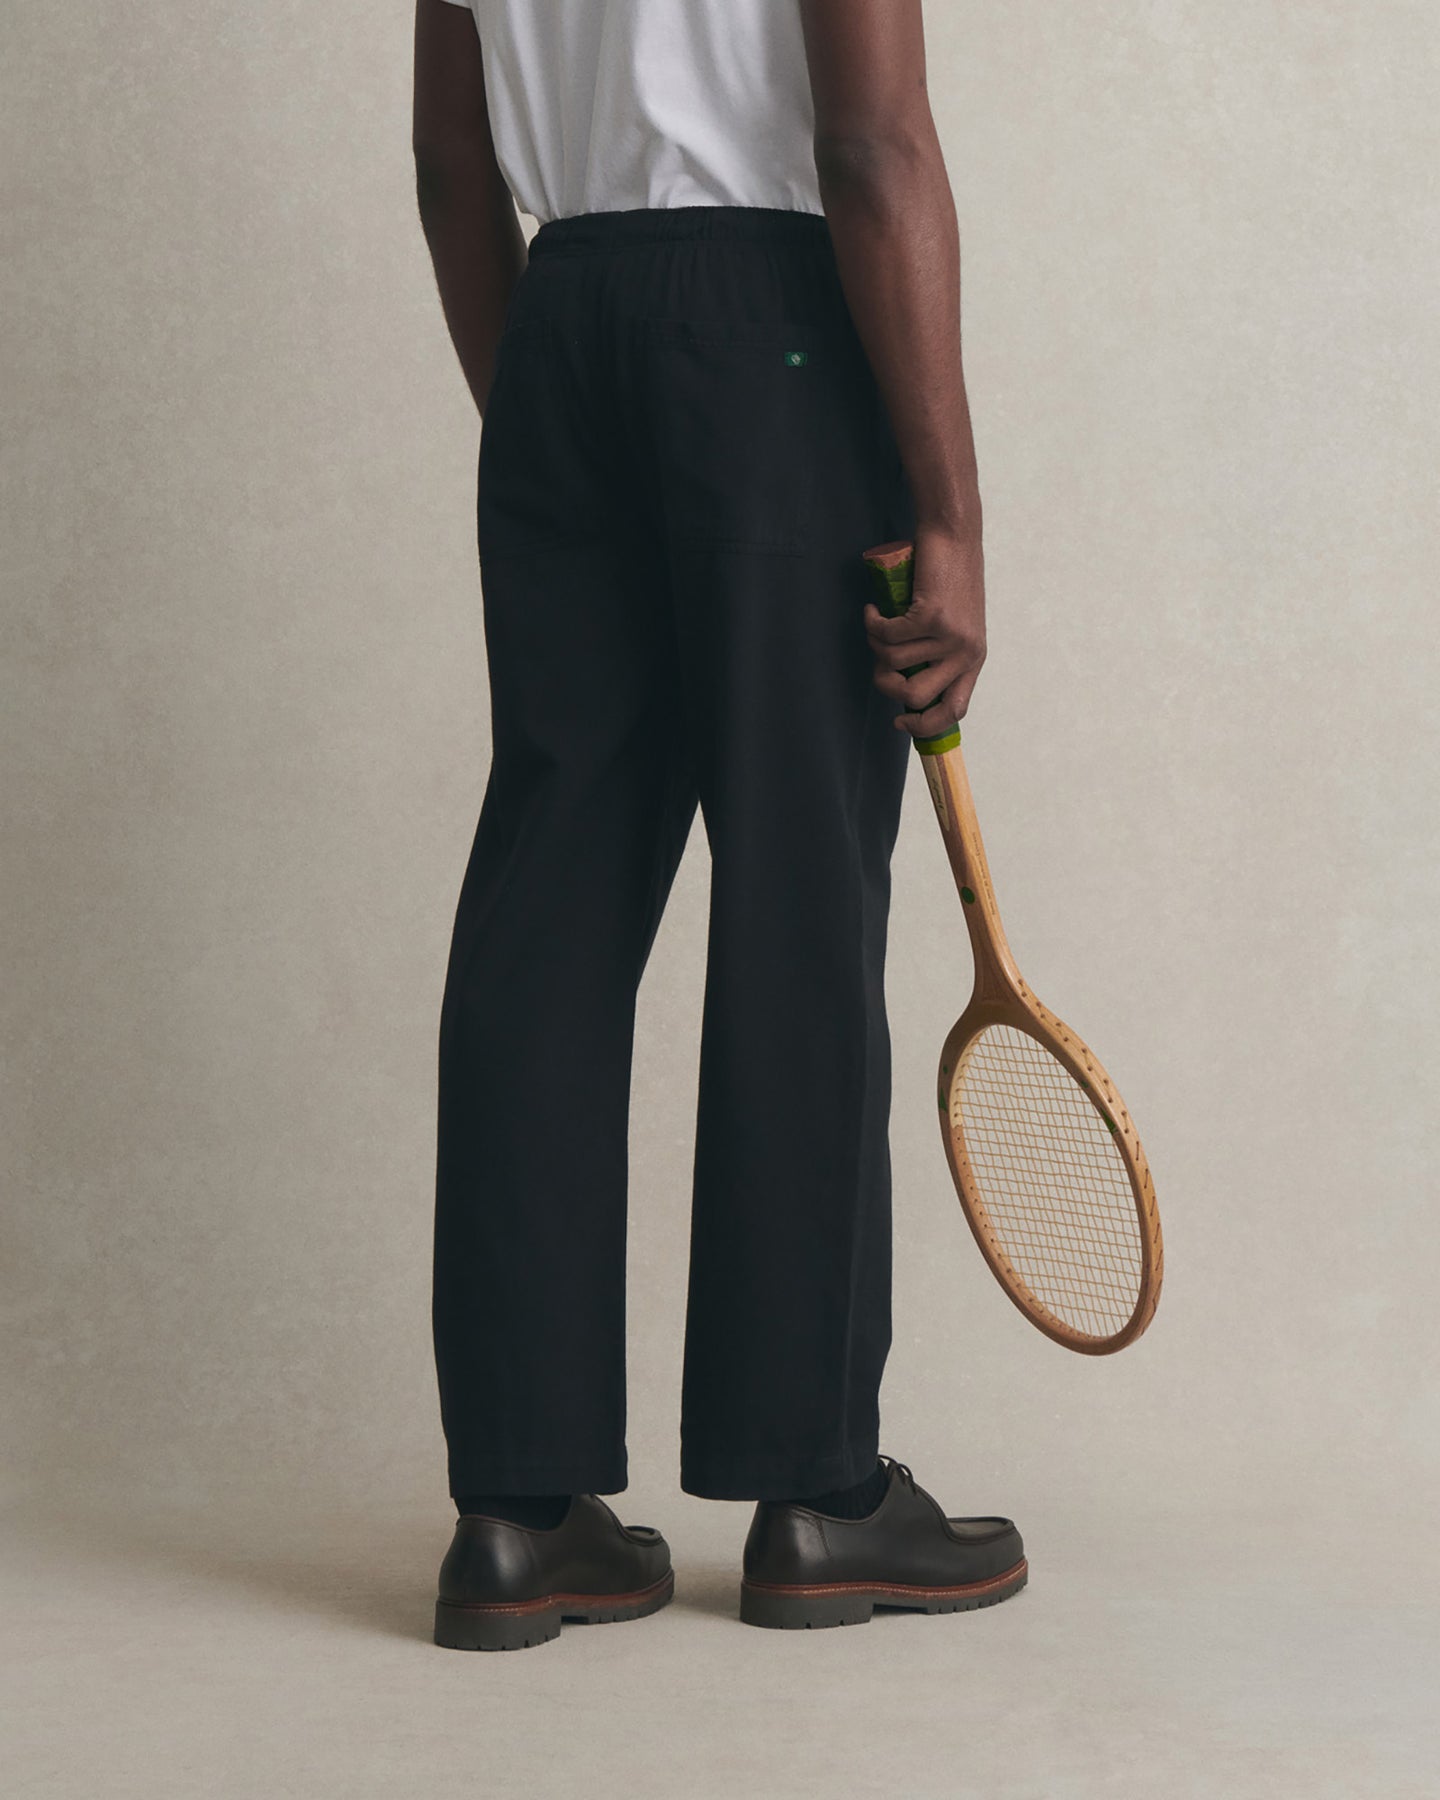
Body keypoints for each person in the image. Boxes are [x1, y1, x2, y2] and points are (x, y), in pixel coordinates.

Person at [413, 0, 1025, 1651]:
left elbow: (452, 160)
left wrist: (550, 410)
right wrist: (952, 515)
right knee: (798, 903)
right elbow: (871, 144)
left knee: (546, 900)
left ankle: (517, 1513)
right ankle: (815, 1489)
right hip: (774, 325)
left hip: (563, 320)